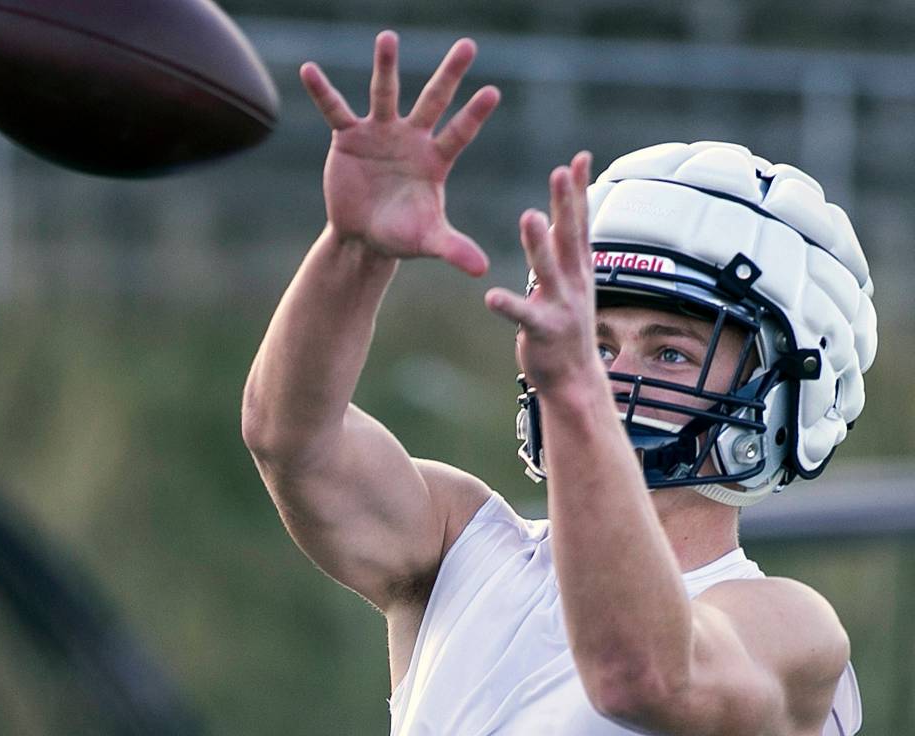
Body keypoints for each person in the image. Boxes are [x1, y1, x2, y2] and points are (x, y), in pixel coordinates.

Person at [241, 30, 875, 736]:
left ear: (788, 390)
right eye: (596, 342)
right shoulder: (459, 546)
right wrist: (353, 251)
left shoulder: (790, 628)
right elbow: (291, 439)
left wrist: (575, 391)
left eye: (670, 353)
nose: (614, 374)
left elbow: (639, 675)